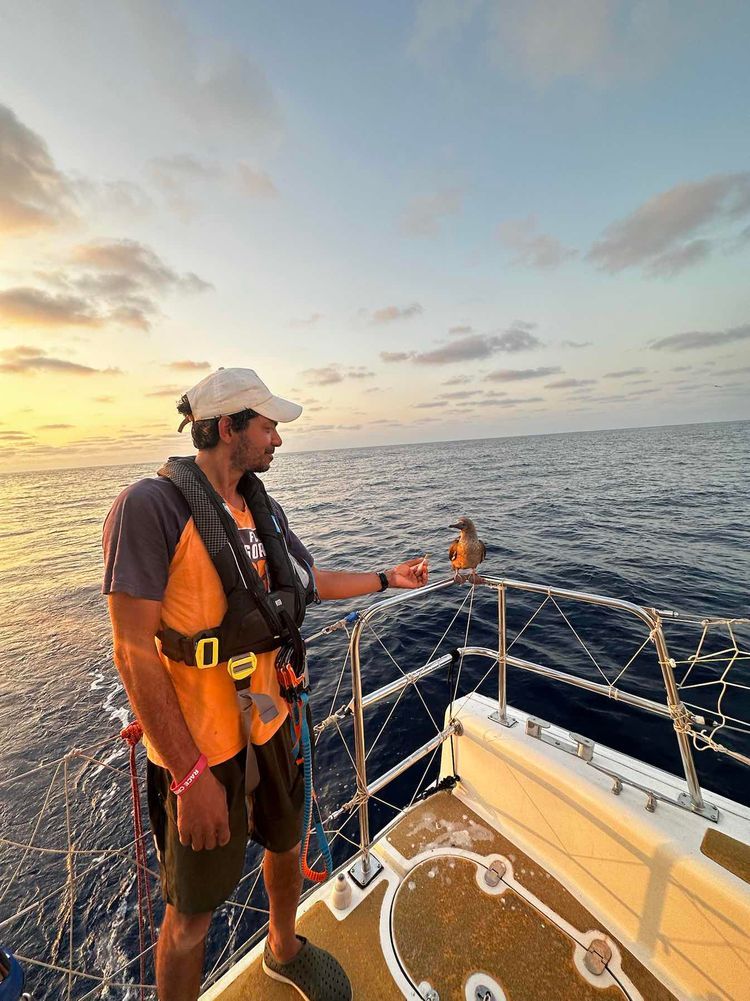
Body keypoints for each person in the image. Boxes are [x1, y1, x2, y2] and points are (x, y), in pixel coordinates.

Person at [102, 367, 429, 1001]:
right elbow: (133, 649)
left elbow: (307, 582)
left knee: (284, 844)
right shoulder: (150, 507)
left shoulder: (263, 509)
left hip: (271, 717)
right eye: (268, 425)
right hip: (201, 746)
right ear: (228, 428)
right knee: (191, 914)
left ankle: (284, 949)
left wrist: (388, 578)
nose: (278, 438)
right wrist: (189, 774)